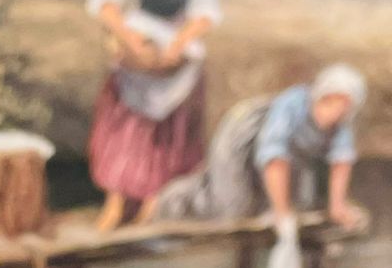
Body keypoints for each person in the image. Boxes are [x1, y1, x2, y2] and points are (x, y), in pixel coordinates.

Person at [85, 0, 221, 232]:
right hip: (141, 31)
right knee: (129, 128)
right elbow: (106, 5)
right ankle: (116, 202)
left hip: (173, 38)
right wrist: (129, 38)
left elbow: (204, 15)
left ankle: (152, 202)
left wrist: (180, 42)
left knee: (168, 131)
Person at [155, 63, 367, 228]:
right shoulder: (290, 106)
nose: (335, 112)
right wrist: (281, 213)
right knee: (233, 210)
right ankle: (177, 197)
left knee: (301, 206)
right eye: (330, 102)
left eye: (343, 107)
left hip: (285, 156)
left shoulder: (342, 126)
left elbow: (341, 162)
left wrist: (338, 207)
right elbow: (274, 159)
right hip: (241, 139)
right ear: (319, 96)